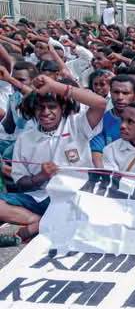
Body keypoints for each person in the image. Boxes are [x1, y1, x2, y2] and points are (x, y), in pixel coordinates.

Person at [0, 76, 106, 245]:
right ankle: (41, 221)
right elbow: (20, 183)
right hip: (42, 198)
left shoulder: (76, 124)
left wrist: (55, 86)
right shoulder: (25, 138)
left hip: (77, 195)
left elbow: (100, 103)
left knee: (86, 209)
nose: (45, 113)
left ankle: (36, 227)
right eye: (40, 108)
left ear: (62, 107)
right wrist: (41, 176)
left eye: (52, 107)